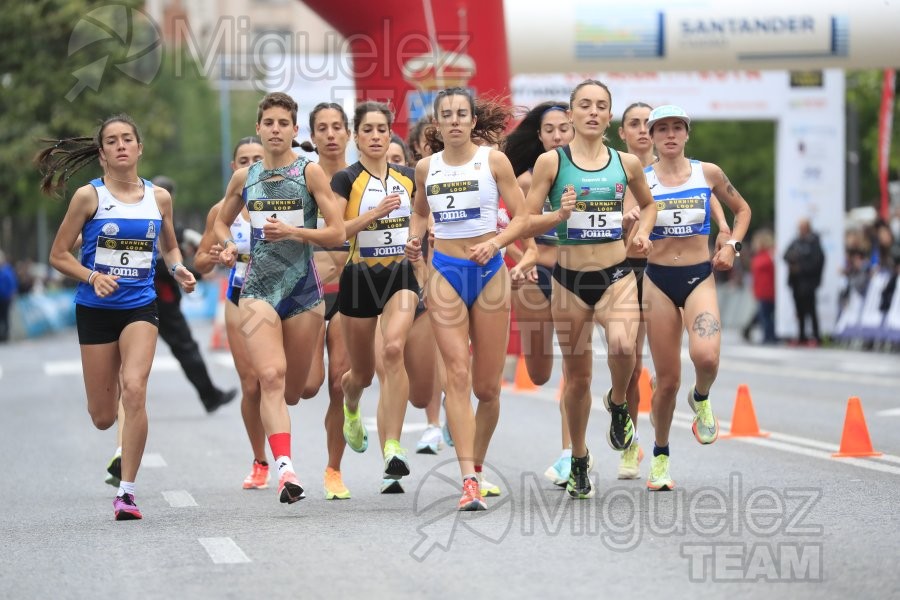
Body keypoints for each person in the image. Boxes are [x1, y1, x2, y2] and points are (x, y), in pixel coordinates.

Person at [40, 114, 197, 520]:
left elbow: (170, 247)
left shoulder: (159, 198)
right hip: (94, 309)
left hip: (140, 307)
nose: (122, 145)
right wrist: (92, 276)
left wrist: (179, 268)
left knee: (136, 387)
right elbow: (57, 255)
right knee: (102, 416)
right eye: (112, 141)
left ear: (140, 148)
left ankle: (127, 492)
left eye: (128, 138)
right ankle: (114, 433)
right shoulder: (88, 198)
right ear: (103, 153)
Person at [522, 80, 656, 500]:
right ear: (573, 114)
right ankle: (578, 457)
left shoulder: (627, 163)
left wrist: (642, 234)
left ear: (609, 115)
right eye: (585, 105)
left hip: (616, 275)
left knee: (623, 348)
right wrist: (555, 215)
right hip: (569, 281)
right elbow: (527, 219)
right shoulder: (551, 162)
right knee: (576, 379)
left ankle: (618, 404)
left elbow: (649, 205)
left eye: (601, 105)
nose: (593, 112)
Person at [215, 92, 345, 505]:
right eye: (267, 122)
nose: (274, 129)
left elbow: (337, 233)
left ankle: (285, 443)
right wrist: (229, 246)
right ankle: (286, 468)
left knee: (298, 389)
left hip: (304, 292)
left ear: (294, 130)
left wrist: (294, 233)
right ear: (258, 128)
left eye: (282, 123)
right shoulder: (244, 178)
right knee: (269, 377)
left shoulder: (308, 173)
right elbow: (220, 221)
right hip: (256, 291)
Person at [406, 87, 530, 510]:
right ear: (437, 124)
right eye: (448, 114)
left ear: (474, 122)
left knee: (487, 387)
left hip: (490, 272)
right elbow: (420, 211)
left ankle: (477, 465)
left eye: (463, 113)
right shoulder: (426, 168)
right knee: (456, 375)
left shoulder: (493, 161)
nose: (456, 120)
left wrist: (496, 244)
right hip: (445, 273)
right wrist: (414, 236)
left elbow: (523, 216)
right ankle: (468, 480)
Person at [641, 105, 751, 491]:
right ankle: (660, 456)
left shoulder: (709, 173)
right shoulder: (641, 177)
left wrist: (732, 246)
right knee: (666, 381)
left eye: (677, 128)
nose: (670, 135)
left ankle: (701, 395)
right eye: (662, 129)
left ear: (687, 134)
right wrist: (630, 231)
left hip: (699, 276)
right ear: (652, 137)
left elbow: (742, 209)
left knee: (706, 356)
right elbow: (628, 224)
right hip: (657, 281)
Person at [333, 101, 424, 493]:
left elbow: (421, 219)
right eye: (367, 130)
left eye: (381, 130)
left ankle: (392, 446)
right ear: (356, 136)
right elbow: (336, 232)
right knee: (363, 374)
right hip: (358, 279)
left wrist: (418, 246)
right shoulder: (345, 180)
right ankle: (351, 405)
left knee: (392, 350)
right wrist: (374, 215)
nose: (375, 137)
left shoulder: (407, 177)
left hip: (399, 276)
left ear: (390, 135)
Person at [503, 100, 575, 487]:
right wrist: (521, 258)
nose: (558, 135)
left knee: (574, 367)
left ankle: (570, 453)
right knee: (539, 372)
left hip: (579, 274)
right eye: (550, 130)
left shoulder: (594, 173)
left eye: (564, 127)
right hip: (536, 277)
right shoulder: (527, 180)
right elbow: (512, 225)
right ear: (540, 135)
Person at [193, 136, 270, 490]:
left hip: (281, 295)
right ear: (234, 167)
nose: (250, 165)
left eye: (258, 159)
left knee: (289, 382)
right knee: (251, 383)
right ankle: (261, 461)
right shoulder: (220, 210)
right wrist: (215, 257)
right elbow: (200, 262)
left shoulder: (285, 200)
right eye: (244, 160)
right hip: (240, 295)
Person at [298, 102, 355, 500]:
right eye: (323, 128)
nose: (331, 134)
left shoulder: (362, 179)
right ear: (313, 136)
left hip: (350, 289)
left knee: (337, 382)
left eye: (338, 127)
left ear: (348, 134)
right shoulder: (302, 180)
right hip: (307, 289)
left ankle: (333, 470)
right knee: (307, 386)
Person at [149, 175, 237, 413]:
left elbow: (185, 261)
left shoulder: (175, 229)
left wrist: (193, 265)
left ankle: (210, 396)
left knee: (186, 347)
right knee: (131, 353)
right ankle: (117, 403)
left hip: (164, 302)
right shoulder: (140, 222)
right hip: (144, 298)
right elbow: (160, 265)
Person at [783, 218, 825, 346]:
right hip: (796, 282)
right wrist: (793, 260)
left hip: (808, 282)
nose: (800, 230)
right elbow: (785, 255)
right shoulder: (796, 241)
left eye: (802, 227)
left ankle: (816, 336)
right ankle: (801, 336)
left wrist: (801, 267)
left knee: (811, 310)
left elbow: (817, 262)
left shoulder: (814, 243)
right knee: (799, 310)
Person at [743, 228, 777, 344]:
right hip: (761, 289)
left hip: (768, 289)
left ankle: (769, 336)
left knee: (765, 315)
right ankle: (769, 335)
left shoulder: (770, 255)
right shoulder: (759, 256)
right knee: (764, 314)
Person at [0, 249, 17, 342]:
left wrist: (12, 294)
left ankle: (5, 335)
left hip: (6, 299)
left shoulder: (7, 271)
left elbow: (12, 284)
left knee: (5, 317)